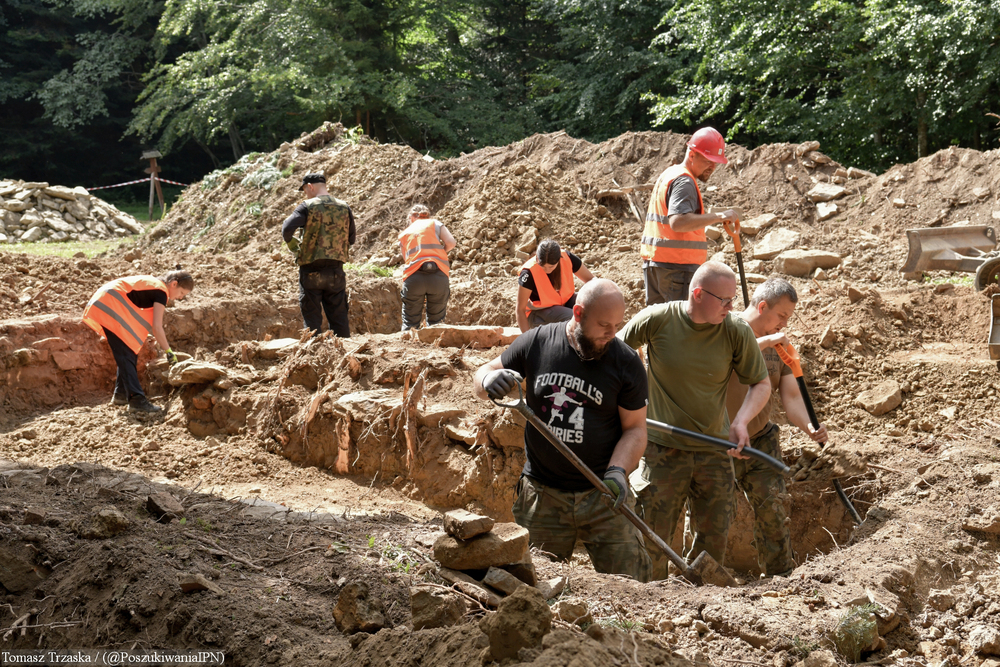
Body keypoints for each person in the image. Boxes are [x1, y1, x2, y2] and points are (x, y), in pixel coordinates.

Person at [474, 279, 652, 582]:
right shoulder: (538, 342)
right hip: (543, 496)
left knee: (633, 586)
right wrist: (487, 381)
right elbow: (482, 374)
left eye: (617, 325)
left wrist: (618, 471)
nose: (612, 334)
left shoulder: (625, 361)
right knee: (529, 588)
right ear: (578, 313)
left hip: (603, 495)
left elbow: (635, 429)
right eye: (604, 325)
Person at [618, 262, 770, 579]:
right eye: (724, 301)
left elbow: (761, 383)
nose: (732, 308)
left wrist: (740, 421)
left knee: (711, 546)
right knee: (652, 539)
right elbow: (612, 354)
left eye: (733, 301)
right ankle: (648, 611)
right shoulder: (658, 320)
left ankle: (699, 608)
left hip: (713, 453)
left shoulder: (735, 330)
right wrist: (629, 398)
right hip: (661, 449)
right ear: (698, 294)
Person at [726, 278, 827, 577]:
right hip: (716, 441)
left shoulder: (778, 347)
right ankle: (707, 581)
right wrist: (764, 343)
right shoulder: (725, 328)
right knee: (715, 515)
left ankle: (782, 579)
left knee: (773, 510)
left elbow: (791, 396)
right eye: (782, 315)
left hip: (759, 439)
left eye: (788, 318)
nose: (784, 323)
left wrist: (809, 426)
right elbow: (725, 354)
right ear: (761, 306)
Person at [641, 127, 740, 305]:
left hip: (657, 265)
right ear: (692, 155)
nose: (713, 167)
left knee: (659, 326)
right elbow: (678, 222)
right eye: (709, 160)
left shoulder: (670, 173)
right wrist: (718, 216)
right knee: (680, 327)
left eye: (716, 162)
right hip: (677, 269)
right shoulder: (684, 181)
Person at [82, 271, 194, 414]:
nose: (180, 297)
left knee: (128, 351)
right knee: (126, 354)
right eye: (182, 293)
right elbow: (157, 327)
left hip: (106, 300)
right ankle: (137, 401)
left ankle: (121, 395)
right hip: (109, 303)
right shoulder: (161, 292)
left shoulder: (154, 285)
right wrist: (169, 352)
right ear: (173, 284)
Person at [281, 172, 355, 337]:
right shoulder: (344, 207)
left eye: (305, 190)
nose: (306, 194)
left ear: (310, 186)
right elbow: (352, 238)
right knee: (339, 317)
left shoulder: (306, 206)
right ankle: (344, 355)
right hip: (336, 270)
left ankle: (314, 355)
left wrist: (293, 245)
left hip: (311, 269)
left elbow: (286, 228)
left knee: (312, 318)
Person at [398, 204, 456, 330]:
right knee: (437, 324)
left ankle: (407, 347)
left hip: (414, 278)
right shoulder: (435, 223)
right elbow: (451, 243)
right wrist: (440, 253)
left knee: (410, 323)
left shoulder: (404, 233)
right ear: (428, 216)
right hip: (438, 276)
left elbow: (406, 259)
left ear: (411, 218)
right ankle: (435, 348)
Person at [516, 239, 594, 332]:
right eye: (543, 266)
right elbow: (520, 309)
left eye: (551, 266)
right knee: (575, 319)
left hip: (564, 303)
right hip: (538, 313)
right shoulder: (528, 273)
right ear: (537, 258)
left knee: (592, 307)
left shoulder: (567, 257)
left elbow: (592, 281)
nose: (547, 270)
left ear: (559, 258)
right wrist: (527, 340)